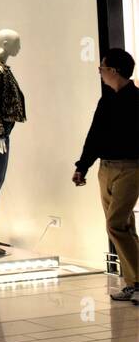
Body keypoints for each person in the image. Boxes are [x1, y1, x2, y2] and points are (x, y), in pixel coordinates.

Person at [72, 47, 139, 305]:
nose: (99, 72)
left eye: (102, 67)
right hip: (106, 168)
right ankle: (133, 283)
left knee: (116, 224)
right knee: (123, 227)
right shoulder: (106, 100)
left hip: (130, 168)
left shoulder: (135, 99)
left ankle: (137, 282)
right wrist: (83, 166)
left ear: (114, 70)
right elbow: (95, 136)